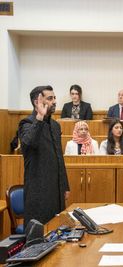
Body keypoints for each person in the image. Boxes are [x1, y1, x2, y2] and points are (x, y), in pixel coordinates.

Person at [18, 85, 70, 227]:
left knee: (57, 233)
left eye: (54, 98)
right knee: (40, 237)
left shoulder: (55, 125)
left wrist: (65, 186)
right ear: (37, 102)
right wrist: (39, 118)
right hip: (38, 192)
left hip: (57, 190)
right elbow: (28, 144)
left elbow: (59, 157)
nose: (54, 101)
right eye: (50, 98)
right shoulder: (26, 123)